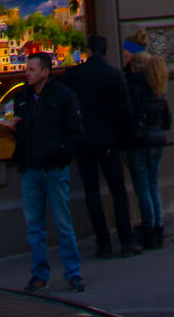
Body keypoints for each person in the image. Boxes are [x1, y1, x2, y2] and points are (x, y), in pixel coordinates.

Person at [1, 50, 84, 293]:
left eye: (31, 70)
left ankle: (73, 274)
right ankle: (39, 275)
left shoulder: (63, 96)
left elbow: (75, 132)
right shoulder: (23, 97)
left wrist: (62, 159)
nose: (26, 73)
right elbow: (25, 128)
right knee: (34, 226)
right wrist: (14, 128)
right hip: (31, 170)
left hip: (54, 170)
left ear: (45, 73)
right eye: (26, 69)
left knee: (63, 223)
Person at [66, 32, 138, 260]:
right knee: (118, 190)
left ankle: (103, 243)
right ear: (106, 52)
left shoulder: (75, 75)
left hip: (84, 141)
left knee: (92, 193)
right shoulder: (114, 75)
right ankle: (126, 241)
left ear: (88, 51)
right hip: (109, 140)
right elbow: (125, 111)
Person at [122, 38, 172, 249]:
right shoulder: (157, 88)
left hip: (139, 141)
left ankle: (149, 230)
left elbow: (127, 114)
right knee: (153, 185)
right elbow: (167, 120)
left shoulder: (132, 87)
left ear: (134, 66)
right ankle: (158, 228)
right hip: (157, 140)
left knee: (142, 187)